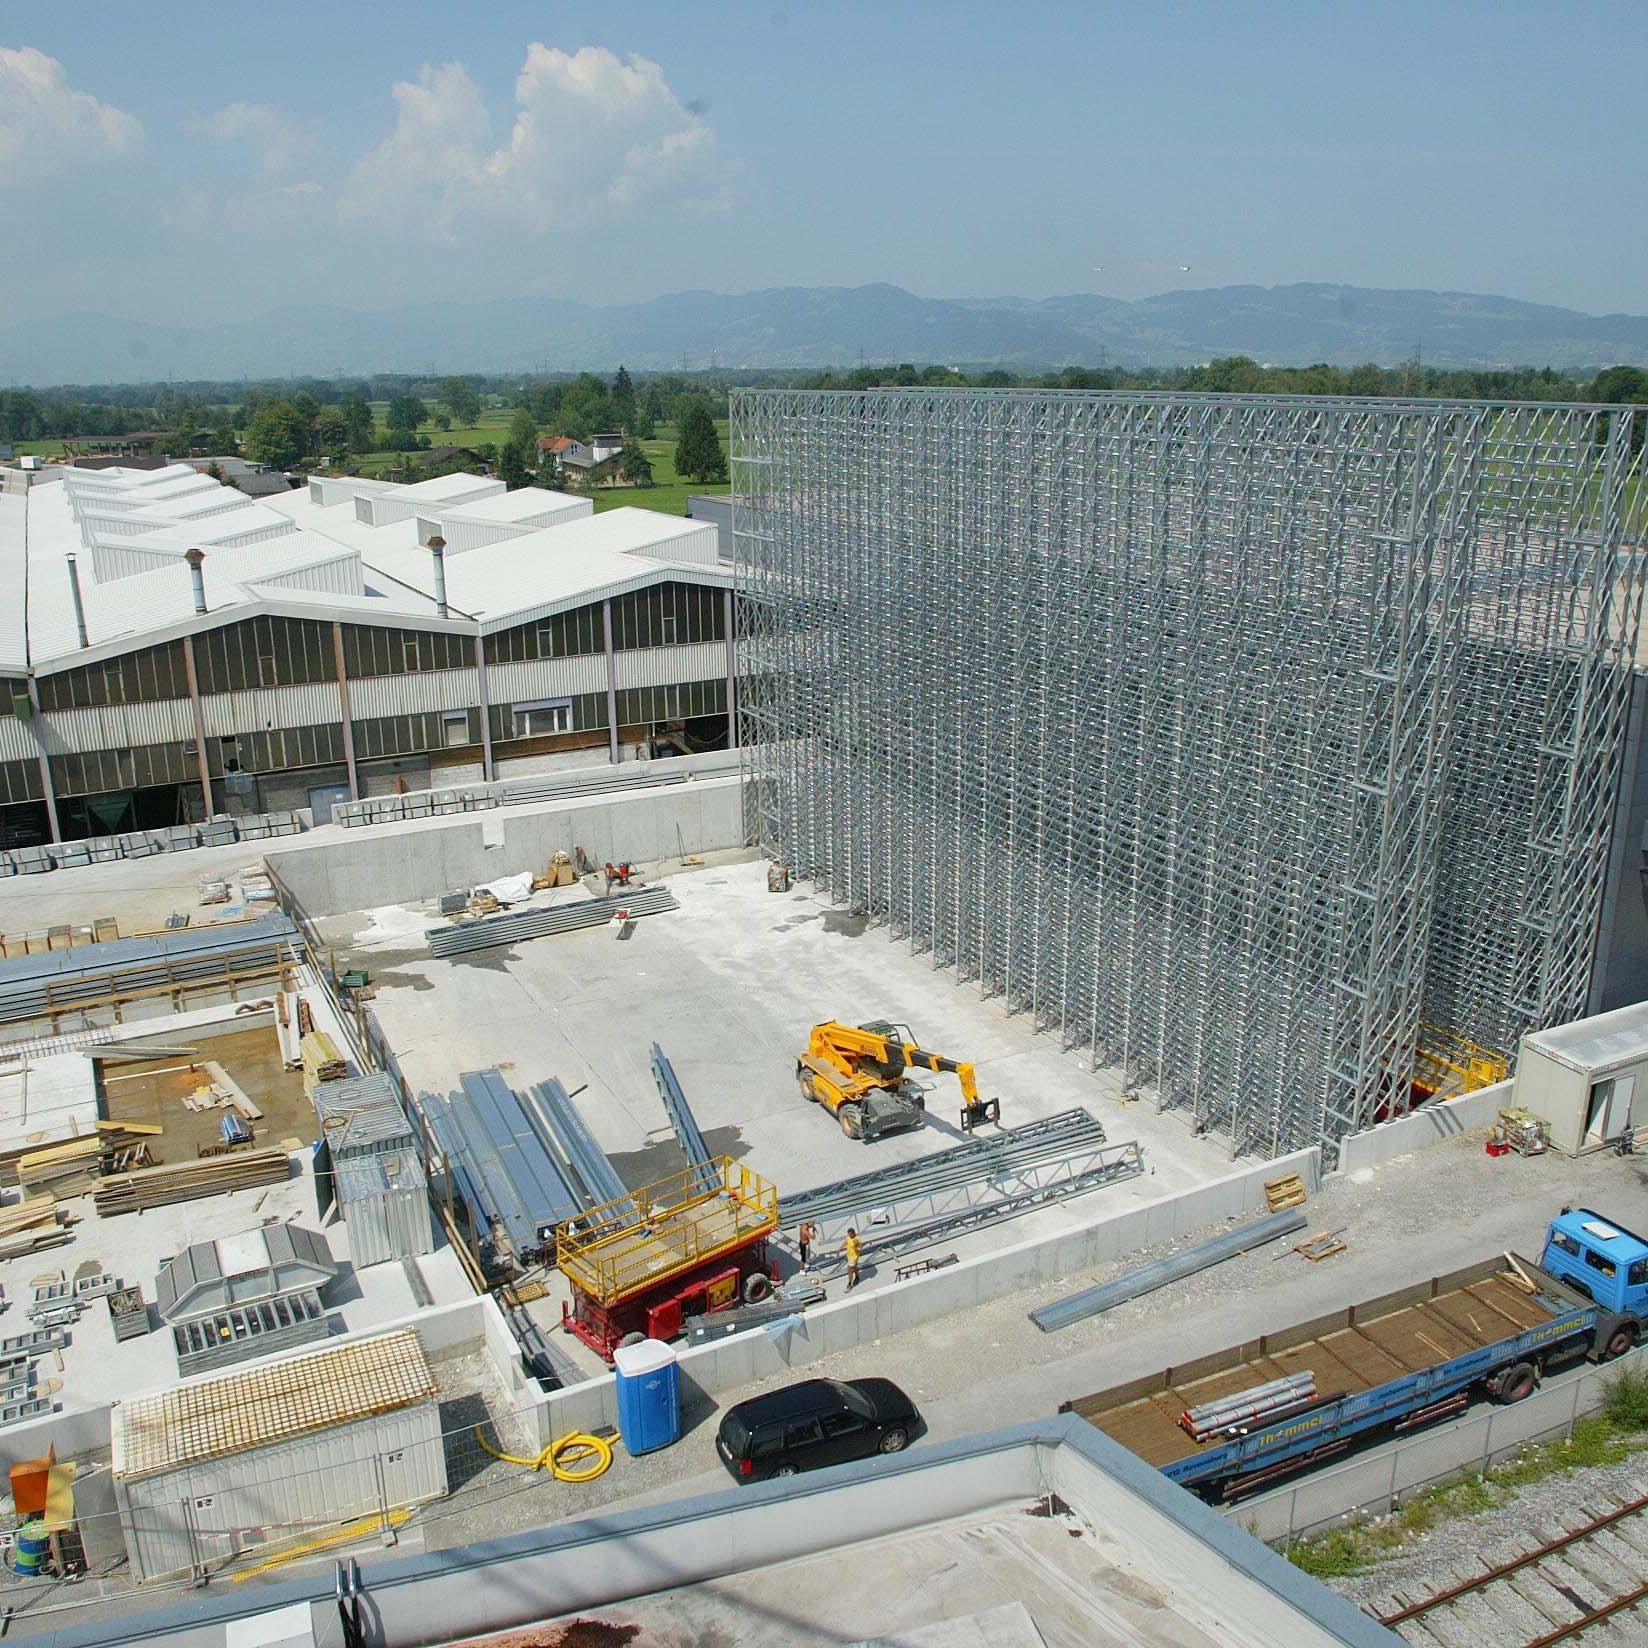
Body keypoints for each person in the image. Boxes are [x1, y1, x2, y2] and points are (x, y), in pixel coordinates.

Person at [844, 1227, 862, 1291]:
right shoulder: (848, 1237)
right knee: (854, 1267)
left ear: (854, 1233)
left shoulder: (857, 1239)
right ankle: (857, 1277)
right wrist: (839, 1248)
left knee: (849, 1269)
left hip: (854, 1256)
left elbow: (860, 1248)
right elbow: (846, 1242)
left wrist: (855, 1247)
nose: (849, 1236)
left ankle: (849, 1283)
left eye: (850, 1234)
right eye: (849, 1234)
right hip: (849, 1255)